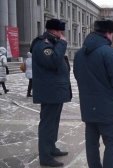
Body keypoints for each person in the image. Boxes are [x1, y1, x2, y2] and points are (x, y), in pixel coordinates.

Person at [73, 19, 113, 168]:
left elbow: (78, 76)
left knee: (91, 145)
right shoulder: (110, 53)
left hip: (88, 108)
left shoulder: (79, 54)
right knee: (111, 145)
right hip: (108, 110)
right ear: (108, 33)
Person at [31, 18, 71, 167]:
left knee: (53, 123)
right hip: (49, 91)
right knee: (47, 124)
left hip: (55, 91)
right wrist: (62, 43)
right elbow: (53, 62)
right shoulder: (42, 44)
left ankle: (51, 148)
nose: (62, 34)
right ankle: (45, 156)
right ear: (53, 31)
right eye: (60, 31)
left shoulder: (53, 43)